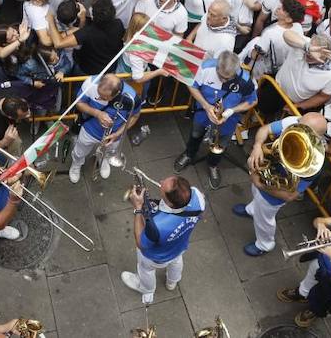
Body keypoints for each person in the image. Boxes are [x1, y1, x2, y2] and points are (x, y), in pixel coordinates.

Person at [237, 112, 322, 256]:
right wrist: (257, 146)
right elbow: (264, 130)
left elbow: (290, 196)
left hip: (273, 196)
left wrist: (260, 185)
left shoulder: (314, 164)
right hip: (262, 176)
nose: (296, 127)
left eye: (302, 128)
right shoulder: (294, 122)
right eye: (299, 123)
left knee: (264, 220)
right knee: (255, 196)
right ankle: (251, 210)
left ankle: (265, 244)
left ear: (315, 137)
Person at [174, 51, 257, 189]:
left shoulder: (245, 80)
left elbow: (252, 101)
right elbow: (191, 85)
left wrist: (231, 111)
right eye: (221, 76)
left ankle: (213, 165)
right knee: (195, 134)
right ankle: (189, 154)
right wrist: (207, 106)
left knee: (221, 143)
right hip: (203, 112)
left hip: (227, 119)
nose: (224, 80)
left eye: (228, 78)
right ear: (217, 67)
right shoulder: (206, 68)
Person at [120, 174, 204, 306]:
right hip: (179, 248)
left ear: (170, 203)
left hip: (156, 257)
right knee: (176, 261)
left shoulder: (158, 226)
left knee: (145, 269)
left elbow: (141, 243)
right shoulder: (198, 197)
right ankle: (172, 282)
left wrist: (138, 208)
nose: (160, 181)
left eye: (163, 185)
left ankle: (147, 289)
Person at [67, 73, 139, 183]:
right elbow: (79, 103)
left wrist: (118, 134)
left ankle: (104, 159)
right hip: (90, 129)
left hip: (113, 135)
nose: (100, 98)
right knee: (80, 150)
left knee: (109, 151)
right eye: (99, 94)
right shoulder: (90, 83)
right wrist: (97, 113)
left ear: (117, 94)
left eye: (104, 98)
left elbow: (134, 116)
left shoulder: (131, 97)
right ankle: (76, 164)